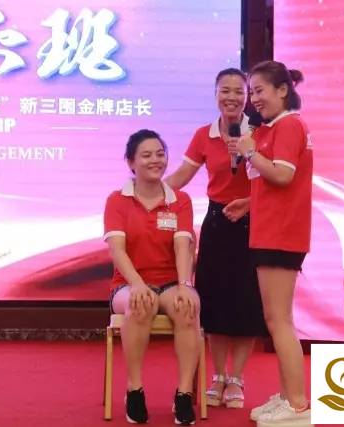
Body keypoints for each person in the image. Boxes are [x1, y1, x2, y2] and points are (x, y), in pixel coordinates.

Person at [164, 68, 268, 409]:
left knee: (247, 303)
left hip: (254, 222)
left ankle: (237, 378)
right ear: (215, 95)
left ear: (248, 97)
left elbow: (274, 180)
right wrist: (145, 191)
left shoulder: (260, 132)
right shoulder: (203, 135)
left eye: (239, 91)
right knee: (216, 302)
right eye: (225, 91)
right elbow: (182, 176)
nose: (232, 98)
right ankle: (219, 375)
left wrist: (250, 200)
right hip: (216, 223)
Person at [233, 61, 313, 426]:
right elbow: (274, 184)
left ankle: (297, 404)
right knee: (275, 319)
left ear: (282, 90)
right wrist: (249, 202)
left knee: (279, 320)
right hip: (270, 231)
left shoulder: (290, 125)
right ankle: (287, 396)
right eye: (252, 92)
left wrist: (250, 151)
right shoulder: (272, 128)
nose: (254, 99)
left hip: (282, 235)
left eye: (259, 90)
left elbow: (282, 175)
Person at [104, 129, 201, 425]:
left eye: (160, 154)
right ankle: (134, 390)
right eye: (146, 155)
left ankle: (183, 394)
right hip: (127, 283)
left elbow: (183, 247)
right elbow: (117, 250)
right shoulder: (117, 200)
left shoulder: (180, 200)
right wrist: (137, 284)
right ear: (131, 162)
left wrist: (185, 285)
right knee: (140, 303)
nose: (155, 160)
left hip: (170, 281)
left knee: (187, 307)